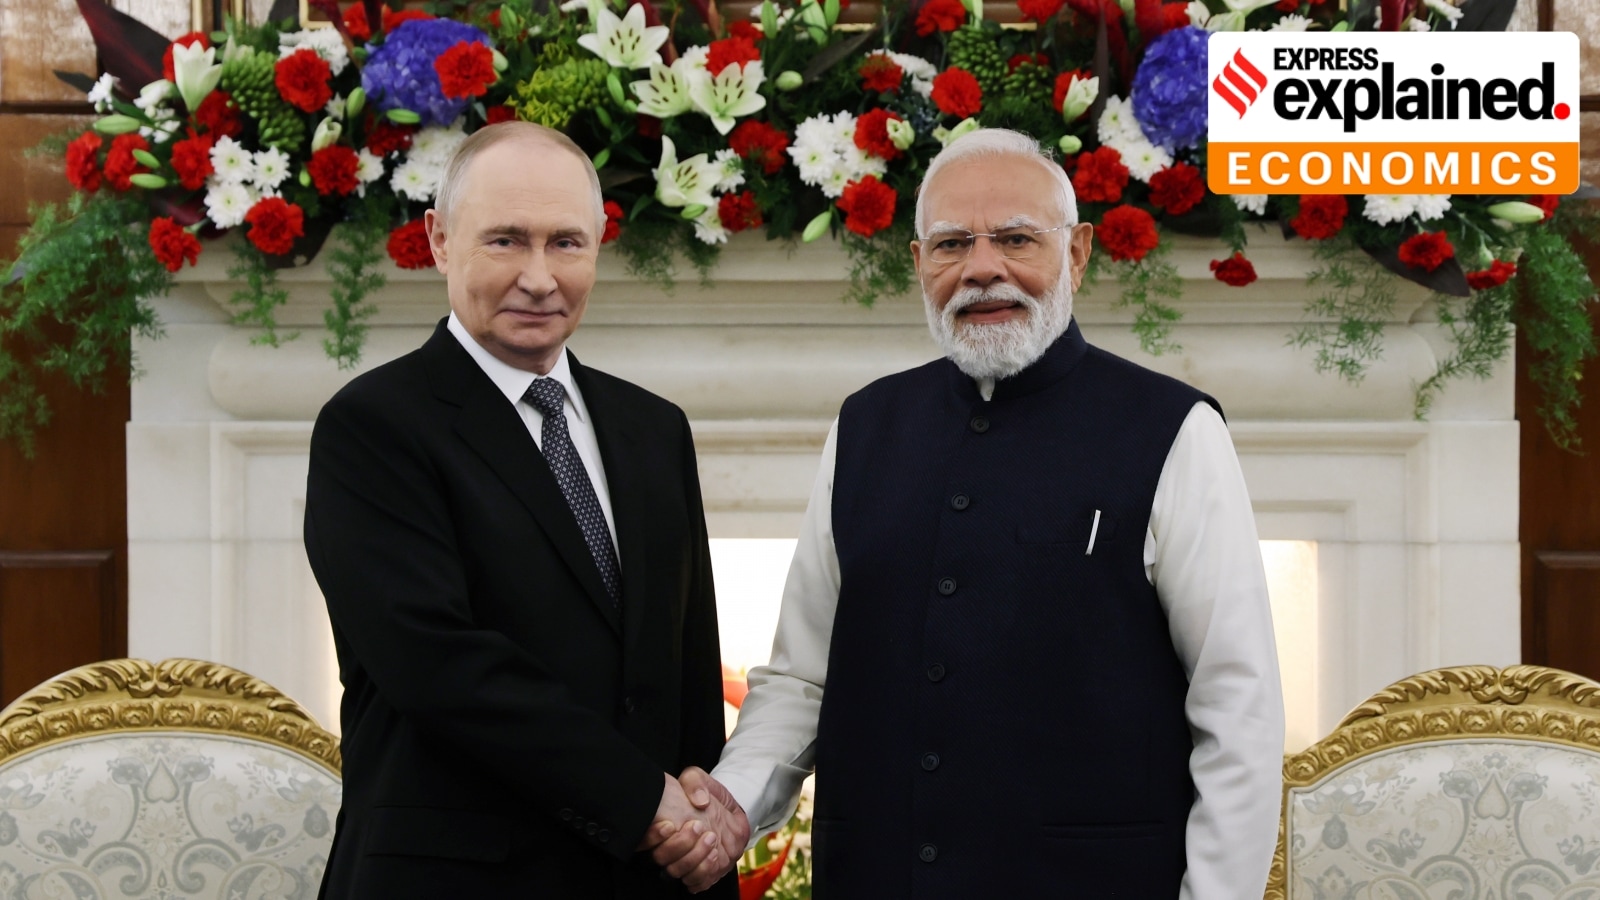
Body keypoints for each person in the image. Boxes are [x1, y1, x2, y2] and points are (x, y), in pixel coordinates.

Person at [652, 128, 1285, 897]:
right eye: (953, 244)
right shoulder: (865, 425)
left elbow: (1238, 713)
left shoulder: (1175, 430)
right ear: (921, 265)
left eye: (1017, 239)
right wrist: (733, 805)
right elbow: (801, 681)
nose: (984, 269)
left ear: (1078, 253)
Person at [304, 121, 744, 898]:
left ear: (600, 244)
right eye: (506, 240)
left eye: (566, 243)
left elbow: (683, 665)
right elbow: (440, 665)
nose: (540, 278)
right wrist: (646, 799)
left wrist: (702, 809)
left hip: (644, 878)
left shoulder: (653, 428)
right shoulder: (372, 426)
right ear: (439, 241)